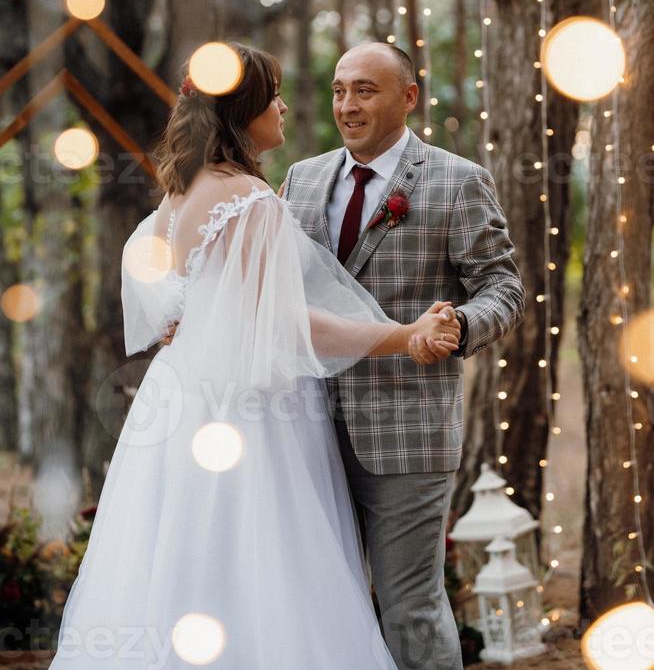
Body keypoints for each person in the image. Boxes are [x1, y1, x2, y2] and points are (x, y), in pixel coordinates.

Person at [48, 42, 460, 670]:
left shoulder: (177, 194)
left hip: (181, 403)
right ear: (243, 111)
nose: (285, 105)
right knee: (269, 573)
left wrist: (187, 320)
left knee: (179, 568)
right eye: (272, 97)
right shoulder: (250, 199)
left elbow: (154, 280)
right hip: (253, 415)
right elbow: (292, 326)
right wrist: (402, 336)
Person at [281, 42, 526, 670]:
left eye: (365, 89)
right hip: (302, 428)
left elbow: (503, 286)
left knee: (409, 605)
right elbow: (275, 290)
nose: (347, 104)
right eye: (339, 90)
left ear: (408, 97)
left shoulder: (456, 179)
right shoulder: (301, 180)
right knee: (322, 603)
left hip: (407, 432)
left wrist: (461, 322)